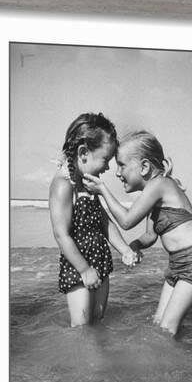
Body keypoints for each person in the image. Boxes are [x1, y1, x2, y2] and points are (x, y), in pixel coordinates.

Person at [83, 130, 192, 336]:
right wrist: (135, 246)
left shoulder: (159, 185)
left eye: (121, 165)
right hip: (176, 265)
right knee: (158, 325)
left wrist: (102, 190)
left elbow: (126, 221)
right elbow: (150, 235)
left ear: (144, 167)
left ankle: (173, 367)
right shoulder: (152, 193)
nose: (117, 172)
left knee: (167, 328)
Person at [49, 112, 138, 327]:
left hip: (100, 260)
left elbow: (104, 222)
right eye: (105, 160)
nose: (108, 167)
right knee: (81, 327)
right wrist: (84, 269)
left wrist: (124, 249)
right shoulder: (63, 185)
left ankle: (98, 360)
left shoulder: (88, 184)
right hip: (77, 265)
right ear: (83, 153)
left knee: (98, 321)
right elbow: (61, 235)